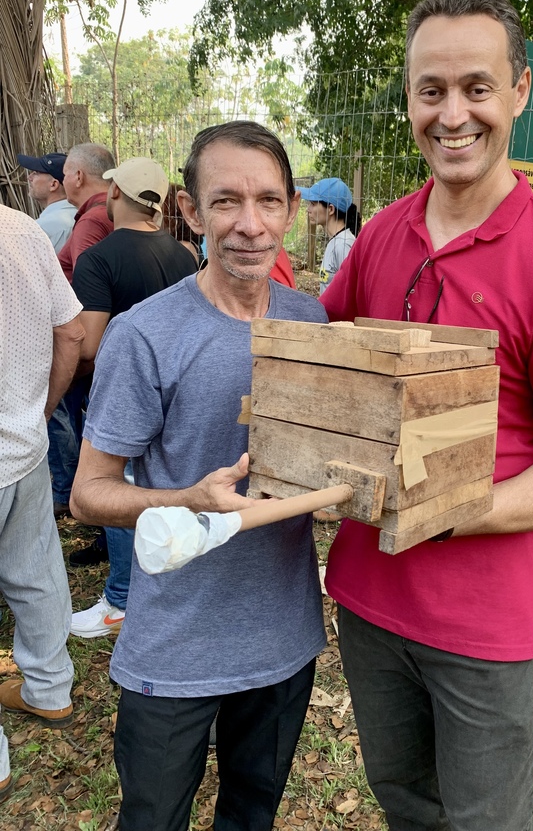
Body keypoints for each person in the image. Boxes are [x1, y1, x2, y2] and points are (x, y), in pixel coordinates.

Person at [320, 0, 533, 831]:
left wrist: (457, 509)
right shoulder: (382, 235)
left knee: (487, 821)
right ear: (410, 99)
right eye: (431, 90)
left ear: (518, 92)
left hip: (482, 627)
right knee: (406, 803)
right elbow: (322, 352)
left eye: (477, 88)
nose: (453, 114)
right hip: (368, 596)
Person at [70, 121, 328, 831]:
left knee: (252, 817)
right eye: (226, 202)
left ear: (292, 208)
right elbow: (89, 494)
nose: (249, 225)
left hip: (283, 636)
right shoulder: (145, 333)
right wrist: (187, 500)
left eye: (269, 201)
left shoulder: (314, 324)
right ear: (189, 209)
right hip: (175, 646)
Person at [69, 157, 198, 638]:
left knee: (119, 492)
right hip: (182, 396)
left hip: (126, 399)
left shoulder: (98, 259)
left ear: (115, 194)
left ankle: (121, 600)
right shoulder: (184, 255)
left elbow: (90, 343)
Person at [0, 205, 84, 803]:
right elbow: (71, 331)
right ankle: (50, 688)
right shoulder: (22, 229)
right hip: (21, 444)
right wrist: (42, 409)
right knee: (35, 570)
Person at [48, 143, 115, 521]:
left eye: (64, 172)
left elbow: (92, 280)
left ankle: (69, 491)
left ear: (77, 176)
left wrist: (83, 350)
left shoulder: (91, 222)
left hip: (87, 341)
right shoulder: (104, 215)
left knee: (63, 410)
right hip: (102, 339)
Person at [58, 143, 116, 282]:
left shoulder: (91, 222)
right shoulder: (121, 211)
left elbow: (87, 284)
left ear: (79, 177)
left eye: (65, 175)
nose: (63, 181)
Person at [301, 177, 360, 292]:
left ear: (331, 209)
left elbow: (352, 292)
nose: (308, 209)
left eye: (313, 204)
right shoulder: (335, 241)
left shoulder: (343, 244)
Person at [16, 151, 76, 252]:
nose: (29, 177)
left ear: (53, 185)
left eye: (36, 173)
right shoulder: (76, 214)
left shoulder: (46, 226)